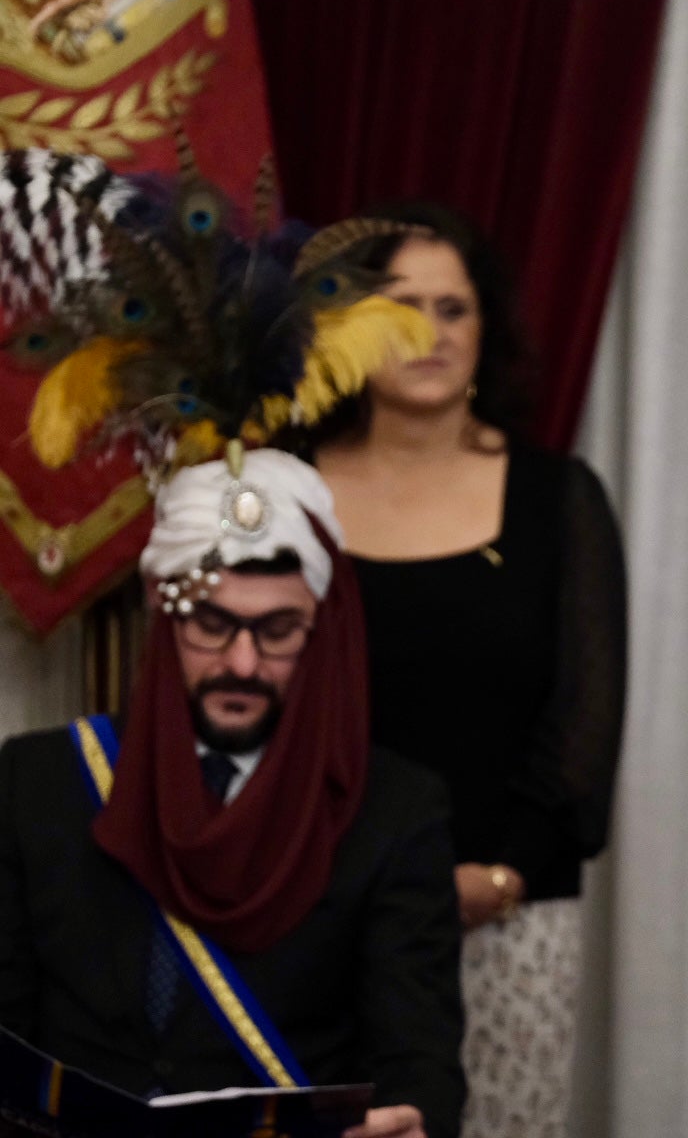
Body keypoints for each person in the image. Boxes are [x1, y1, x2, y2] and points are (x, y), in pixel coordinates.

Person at [0, 149, 465, 1138]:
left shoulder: (394, 812)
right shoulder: (37, 786)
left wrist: (414, 1117)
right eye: (213, 623)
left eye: (277, 629)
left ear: (323, 629)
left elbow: (418, 1058)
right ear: (166, 618)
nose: (244, 661)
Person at [310, 202, 626, 1138]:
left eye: (454, 308)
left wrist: (498, 881)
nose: (431, 333)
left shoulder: (555, 496)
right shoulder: (279, 485)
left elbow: (584, 730)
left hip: (504, 919)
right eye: (400, 305)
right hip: (310, 912)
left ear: (487, 331)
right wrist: (329, 879)